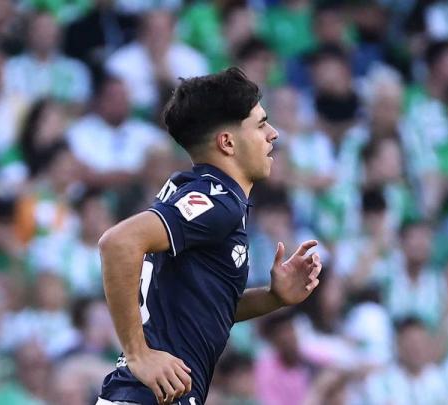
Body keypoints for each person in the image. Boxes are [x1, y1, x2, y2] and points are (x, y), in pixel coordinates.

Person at [96, 67, 323, 405]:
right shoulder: (217, 201)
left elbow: (198, 309)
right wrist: (137, 353)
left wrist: (273, 297)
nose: (273, 134)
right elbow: (117, 243)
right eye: (261, 124)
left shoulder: (200, 194)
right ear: (227, 142)